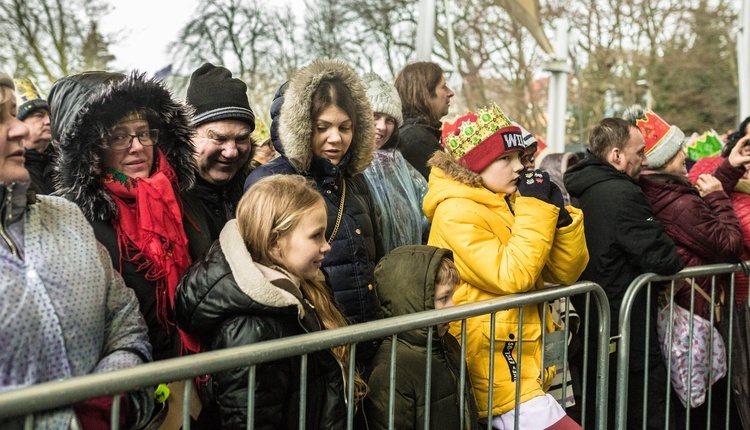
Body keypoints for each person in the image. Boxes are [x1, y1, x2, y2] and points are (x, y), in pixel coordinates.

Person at [0, 72, 153, 429]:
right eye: (1, 118)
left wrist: (106, 404)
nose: (20, 128)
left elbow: (126, 323)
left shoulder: (67, 217)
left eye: (13, 113)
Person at [423, 102, 589, 429]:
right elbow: (513, 275)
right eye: (506, 159)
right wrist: (536, 210)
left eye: (520, 158)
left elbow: (565, 273)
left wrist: (562, 220)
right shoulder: (455, 212)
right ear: (474, 166)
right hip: (491, 360)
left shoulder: (507, 201)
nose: (519, 168)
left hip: (522, 355)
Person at [175, 175, 362, 429]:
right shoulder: (249, 329)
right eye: (315, 236)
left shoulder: (301, 287)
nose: (326, 246)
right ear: (275, 242)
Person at [50, 71, 213, 361]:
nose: (137, 146)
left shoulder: (183, 199)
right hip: (135, 385)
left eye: (143, 133)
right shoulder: (70, 219)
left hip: (202, 373)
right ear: (90, 150)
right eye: (118, 137)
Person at [244, 59, 384, 365]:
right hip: (316, 347)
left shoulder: (355, 180)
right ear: (303, 127)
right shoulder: (271, 182)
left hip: (368, 339)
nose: (336, 138)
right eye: (323, 127)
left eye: (345, 127)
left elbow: (375, 254)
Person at [563, 117, 685, 429]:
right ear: (616, 155)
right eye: (640, 153)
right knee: (643, 408)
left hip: (599, 319)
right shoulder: (621, 194)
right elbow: (661, 256)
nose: (645, 161)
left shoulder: (584, 186)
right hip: (626, 325)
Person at [364, 245, 478, 430]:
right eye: (443, 298)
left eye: (452, 296)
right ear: (415, 302)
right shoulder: (391, 371)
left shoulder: (448, 344)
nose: (453, 306)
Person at [688, 133, 750, 429]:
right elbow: (696, 186)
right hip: (732, 303)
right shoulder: (713, 166)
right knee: (738, 378)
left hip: (735, 301)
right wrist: (729, 170)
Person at [185, 63, 256, 241]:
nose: (231, 152)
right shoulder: (165, 196)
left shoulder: (259, 185)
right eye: (218, 138)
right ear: (188, 136)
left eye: (241, 139)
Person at [361, 72, 428, 252]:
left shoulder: (400, 165)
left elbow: (426, 214)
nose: (382, 126)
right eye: (375, 116)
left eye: (389, 120)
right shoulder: (346, 167)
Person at [394, 61, 455, 179]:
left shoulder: (409, 132)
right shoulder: (417, 139)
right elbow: (452, 183)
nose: (450, 92)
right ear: (425, 92)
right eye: (443, 86)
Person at [14, 77, 57, 195]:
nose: (48, 121)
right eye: (39, 115)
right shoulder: (7, 168)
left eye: (49, 115)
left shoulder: (66, 162)